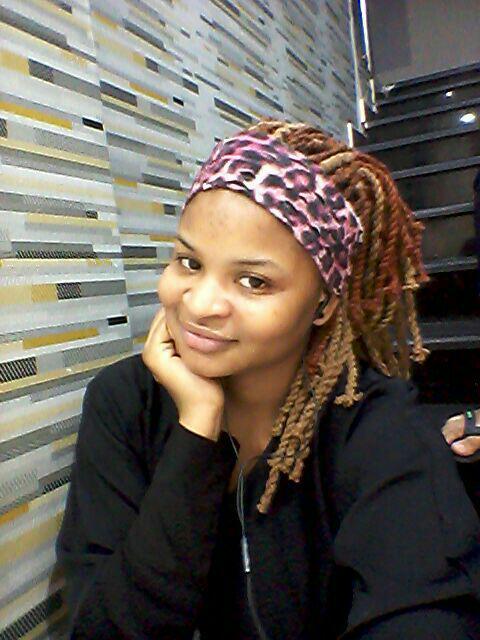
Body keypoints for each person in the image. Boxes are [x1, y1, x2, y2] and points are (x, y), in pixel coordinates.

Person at [56, 120, 480, 639]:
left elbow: (425, 613)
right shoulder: (125, 403)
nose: (200, 305)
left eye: (253, 281)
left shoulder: (374, 426)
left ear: (323, 303)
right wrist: (197, 430)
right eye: (189, 262)